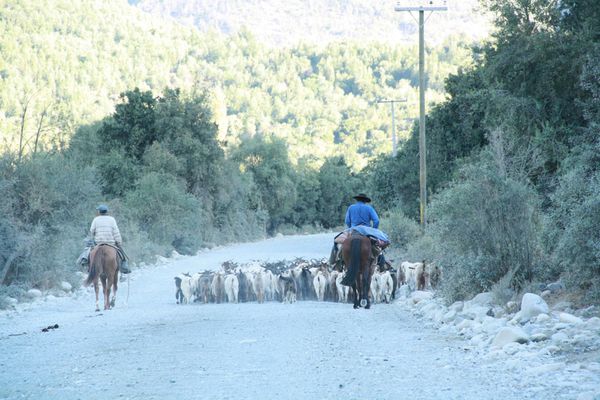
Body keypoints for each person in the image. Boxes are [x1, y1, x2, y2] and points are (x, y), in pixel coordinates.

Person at [89, 204, 130, 274]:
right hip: (111, 243)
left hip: (98, 243)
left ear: (99, 212)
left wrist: (91, 239)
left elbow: (91, 231)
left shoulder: (95, 219)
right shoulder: (112, 219)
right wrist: (119, 242)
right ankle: (124, 267)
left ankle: (88, 266)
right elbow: (116, 232)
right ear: (107, 211)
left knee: (87, 253)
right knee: (122, 256)